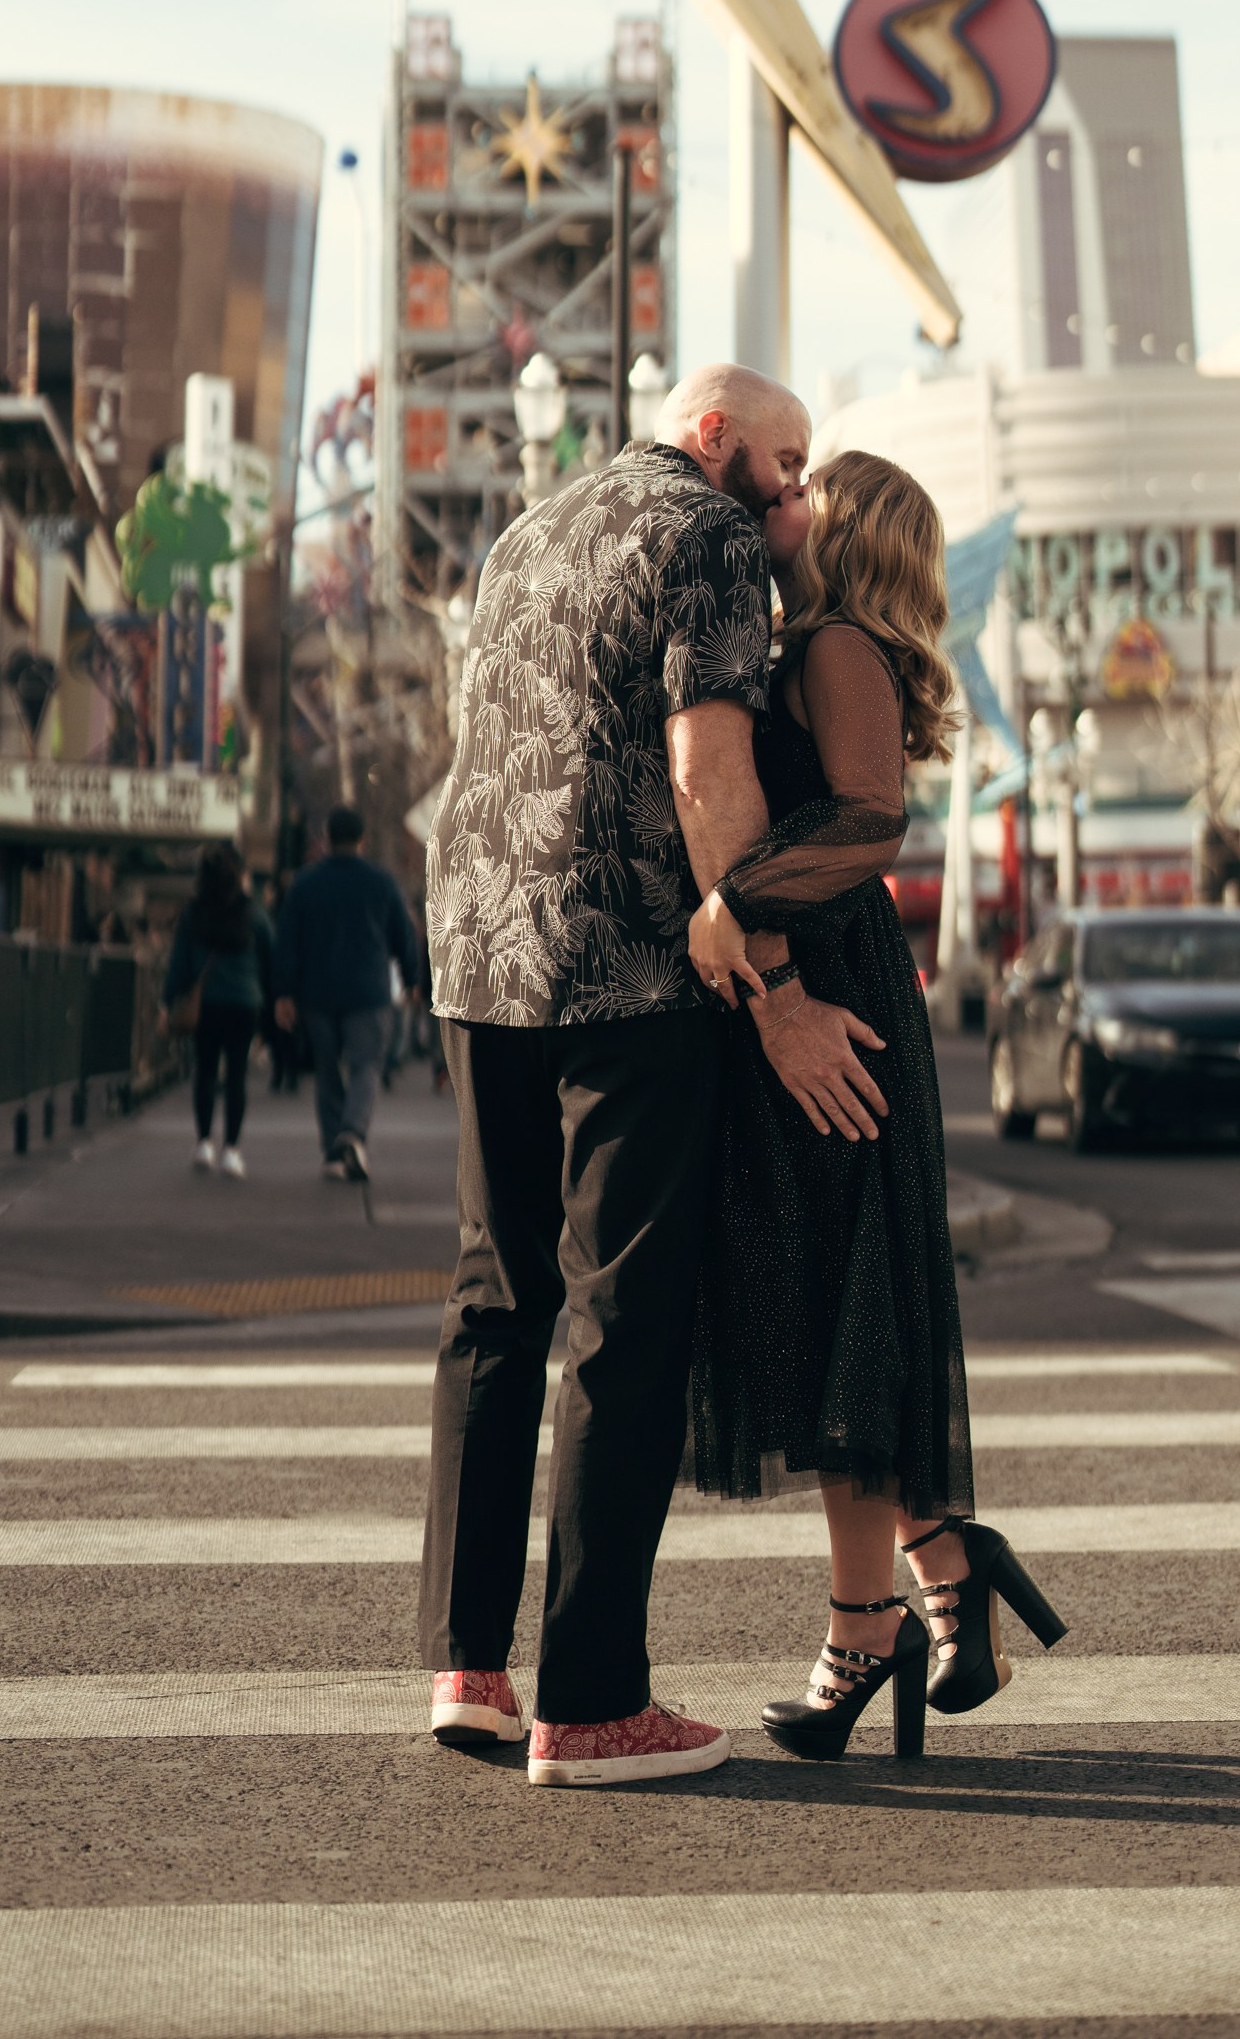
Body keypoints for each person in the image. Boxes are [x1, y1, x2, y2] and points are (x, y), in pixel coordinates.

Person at [417, 364, 883, 1789]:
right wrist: (781, 996)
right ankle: (593, 1702)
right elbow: (706, 773)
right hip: (624, 968)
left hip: (479, 959)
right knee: (623, 1321)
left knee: (494, 1303)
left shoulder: (526, 533)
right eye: (786, 464)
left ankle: (469, 1668)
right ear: (712, 436)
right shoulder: (709, 534)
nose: (796, 495)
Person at [686, 448, 1066, 1761]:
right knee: (842, 1308)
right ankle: (939, 1571)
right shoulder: (819, 642)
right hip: (834, 981)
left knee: (843, 1311)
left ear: (846, 532)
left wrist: (732, 901)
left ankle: (878, 1621)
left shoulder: (839, 644)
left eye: (807, 491)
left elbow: (867, 820)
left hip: (836, 995)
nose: (782, 501)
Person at [273, 807, 418, 1183]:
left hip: (317, 993)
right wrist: (412, 978)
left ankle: (332, 1151)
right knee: (366, 1065)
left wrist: (284, 992)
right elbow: (404, 935)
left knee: (326, 1071)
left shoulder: (305, 883)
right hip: (368, 991)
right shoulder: (381, 882)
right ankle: (352, 1132)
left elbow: (287, 941)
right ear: (363, 840)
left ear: (326, 838)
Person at [163, 841, 272, 1180]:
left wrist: (167, 1001)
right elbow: (271, 956)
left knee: (205, 1071)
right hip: (244, 1003)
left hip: (206, 1003)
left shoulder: (193, 913)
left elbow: (179, 962)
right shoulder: (253, 914)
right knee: (237, 1075)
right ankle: (232, 1150)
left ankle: (204, 1142)